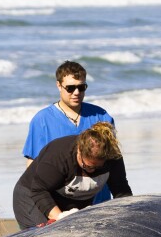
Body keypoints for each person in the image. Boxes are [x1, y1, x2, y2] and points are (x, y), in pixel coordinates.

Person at [23, 59, 116, 202]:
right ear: (59, 86)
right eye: (70, 88)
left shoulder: (102, 117)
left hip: (99, 202)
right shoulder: (42, 120)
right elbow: (32, 168)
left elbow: (114, 163)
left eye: (82, 87)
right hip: (62, 206)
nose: (76, 92)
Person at [13, 122, 131, 230]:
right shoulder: (58, 156)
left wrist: (129, 215)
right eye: (87, 166)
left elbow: (121, 190)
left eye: (98, 167)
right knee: (47, 235)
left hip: (70, 197)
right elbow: (39, 190)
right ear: (79, 150)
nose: (92, 171)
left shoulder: (113, 157)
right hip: (32, 195)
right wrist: (60, 217)